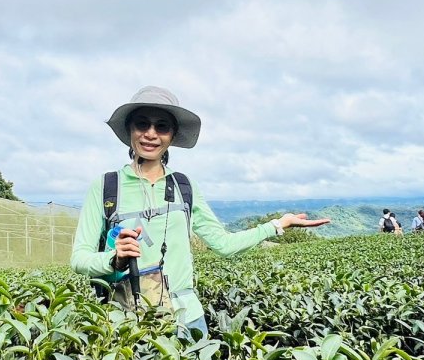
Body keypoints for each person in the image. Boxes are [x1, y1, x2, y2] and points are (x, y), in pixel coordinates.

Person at [70, 86, 330, 338]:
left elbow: (223, 244)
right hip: (127, 321)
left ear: (172, 136)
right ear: (130, 130)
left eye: (162, 126)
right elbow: (79, 259)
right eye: (142, 124)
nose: (151, 134)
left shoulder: (184, 186)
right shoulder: (105, 187)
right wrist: (114, 259)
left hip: (187, 319)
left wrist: (277, 225)